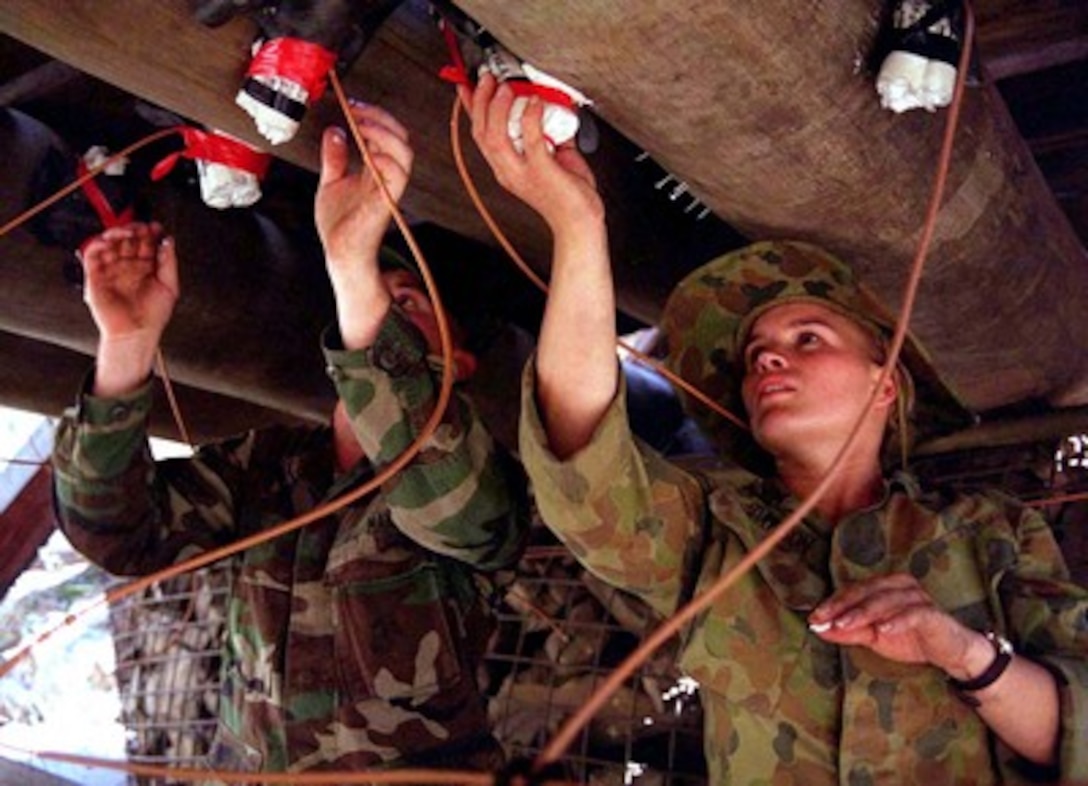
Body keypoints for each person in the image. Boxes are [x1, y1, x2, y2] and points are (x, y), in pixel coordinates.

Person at [461, 72, 1088, 784]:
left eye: (808, 339)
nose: (767, 360)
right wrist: (577, 226)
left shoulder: (990, 532)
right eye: (757, 355)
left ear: (886, 385)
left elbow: (1080, 733)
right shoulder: (715, 529)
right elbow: (582, 464)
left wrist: (963, 652)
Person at [52, 102, 528, 777]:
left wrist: (353, 263)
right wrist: (126, 347)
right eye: (370, 295)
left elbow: (446, 497)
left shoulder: (485, 484)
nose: (378, 309)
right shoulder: (269, 467)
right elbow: (119, 533)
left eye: (410, 303)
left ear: (458, 362)